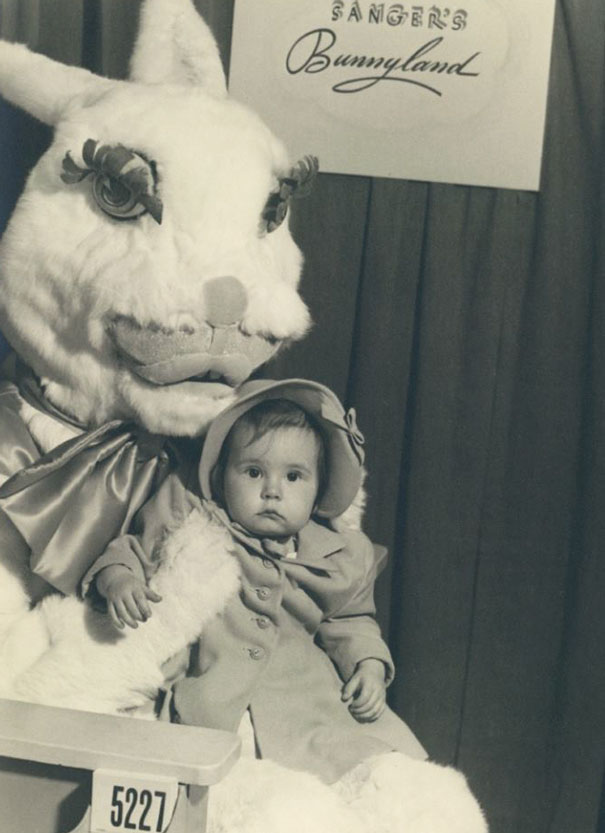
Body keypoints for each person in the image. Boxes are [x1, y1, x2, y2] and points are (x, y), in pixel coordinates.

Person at [84, 379, 426, 782]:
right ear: (221, 477)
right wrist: (119, 581)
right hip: (213, 696)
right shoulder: (193, 521)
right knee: (217, 777)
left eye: (294, 477)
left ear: (318, 491)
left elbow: (350, 620)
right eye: (253, 472)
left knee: (357, 770)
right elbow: (131, 550)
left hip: (306, 703)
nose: (272, 491)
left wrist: (368, 665)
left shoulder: (336, 555)